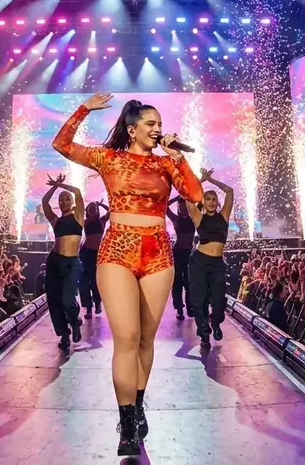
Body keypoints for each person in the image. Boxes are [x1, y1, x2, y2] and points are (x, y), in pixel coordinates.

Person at [53, 93, 203, 456]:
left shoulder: (167, 164)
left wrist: (176, 157)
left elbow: (196, 193)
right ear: (132, 129)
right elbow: (62, 144)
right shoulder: (109, 158)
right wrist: (84, 108)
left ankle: (136, 404)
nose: (157, 129)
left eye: (160, 125)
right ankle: (127, 425)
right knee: (128, 336)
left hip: (157, 252)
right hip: (117, 249)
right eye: (150, 124)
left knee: (146, 341)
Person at [185, 168, 233, 347]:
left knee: (219, 299)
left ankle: (216, 322)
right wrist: (201, 181)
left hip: (217, 264)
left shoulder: (224, 216)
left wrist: (211, 180)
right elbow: (188, 196)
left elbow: (229, 191)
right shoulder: (198, 217)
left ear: (217, 202)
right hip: (199, 262)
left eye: (214, 199)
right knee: (199, 299)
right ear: (203, 202)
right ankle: (204, 333)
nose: (211, 202)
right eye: (208, 199)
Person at [41, 173, 85, 351]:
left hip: (71, 263)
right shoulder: (56, 220)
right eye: (61, 200)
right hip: (54, 262)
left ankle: (75, 322)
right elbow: (45, 202)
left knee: (68, 299)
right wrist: (54, 187)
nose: (64, 202)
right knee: (54, 300)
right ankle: (64, 334)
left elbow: (78, 192)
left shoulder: (78, 216)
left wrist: (62, 185)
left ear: (72, 202)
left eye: (66, 199)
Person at [166, 197, 195, 321]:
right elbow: (165, 206)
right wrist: (178, 197)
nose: (183, 209)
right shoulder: (176, 219)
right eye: (181, 207)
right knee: (177, 283)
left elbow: (200, 203)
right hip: (177, 254)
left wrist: (188, 198)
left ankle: (190, 307)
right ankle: (179, 309)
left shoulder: (194, 218)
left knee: (190, 282)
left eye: (185, 207)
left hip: (189, 253)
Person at [79, 201, 109, 318]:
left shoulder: (102, 221)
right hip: (86, 253)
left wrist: (100, 205)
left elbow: (111, 211)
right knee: (84, 282)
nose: (92, 210)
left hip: (98, 254)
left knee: (96, 280)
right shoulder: (85, 222)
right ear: (87, 211)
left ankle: (97, 303)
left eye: (94, 208)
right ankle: (88, 308)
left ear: (97, 210)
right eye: (90, 208)